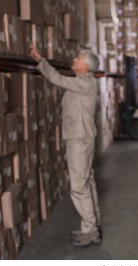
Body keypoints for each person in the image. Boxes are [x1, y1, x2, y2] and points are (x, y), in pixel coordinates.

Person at [30, 46, 102, 247]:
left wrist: (41, 61)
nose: (74, 57)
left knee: (78, 185)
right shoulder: (83, 83)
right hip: (81, 137)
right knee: (87, 180)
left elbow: (57, 79)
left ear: (85, 66)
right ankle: (93, 224)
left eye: (78, 57)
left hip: (79, 139)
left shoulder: (85, 83)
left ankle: (90, 230)